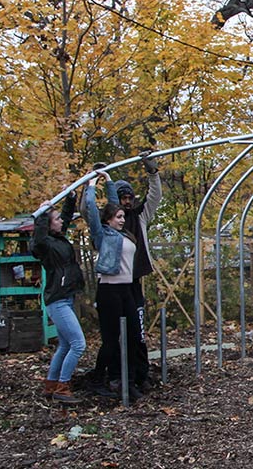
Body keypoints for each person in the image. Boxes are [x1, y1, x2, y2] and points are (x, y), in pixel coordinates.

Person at [83, 170, 146, 400]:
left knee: (132, 336)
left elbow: (111, 203)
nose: (122, 219)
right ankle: (98, 379)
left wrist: (109, 180)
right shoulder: (103, 235)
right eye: (118, 217)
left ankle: (128, 384)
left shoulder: (125, 234)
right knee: (110, 341)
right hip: (109, 290)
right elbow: (92, 210)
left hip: (126, 289)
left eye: (122, 216)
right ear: (109, 220)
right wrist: (91, 184)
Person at [105, 152, 161, 390]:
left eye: (129, 197)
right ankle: (115, 375)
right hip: (114, 284)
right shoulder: (108, 225)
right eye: (122, 198)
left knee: (137, 331)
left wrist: (152, 173)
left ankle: (141, 374)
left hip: (134, 280)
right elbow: (90, 213)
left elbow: (155, 197)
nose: (127, 202)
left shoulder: (139, 217)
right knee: (116, 333)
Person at [31, 194, 87, 404]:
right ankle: (63, 387)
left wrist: (70, 198)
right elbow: (38, 237)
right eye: (56, 219)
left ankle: (51, 384)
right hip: (58, 300)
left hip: (66, 297)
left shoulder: (57, 239)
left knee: (64, 345)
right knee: (78, 344)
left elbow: (64, 217)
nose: (61, 221)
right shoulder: (44, 244)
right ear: (47, 223)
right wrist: (42, 215)